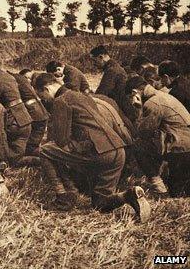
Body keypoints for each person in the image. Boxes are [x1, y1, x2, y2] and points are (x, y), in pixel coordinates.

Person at [34, 73, 151, 221]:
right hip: (118, 150)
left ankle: (64, 197)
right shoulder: (83, 96)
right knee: (100, 203)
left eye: (42, 96)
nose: (44, 100)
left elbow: (61, 140)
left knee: (45, 150)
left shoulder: (60, 101)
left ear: (46, 88)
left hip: (98, 151)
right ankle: (129, 195)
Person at [125, 76, 190, 197]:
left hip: (181, 150)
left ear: (135, 92)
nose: (130, 101)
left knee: (138, 147)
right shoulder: (162, 95)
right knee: (180, 189)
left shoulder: (153, 103)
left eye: (130, 97)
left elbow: (143, 133)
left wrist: (138, 109)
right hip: (184, 145)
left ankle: (158, 186)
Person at [0, 47, 33, 165]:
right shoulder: (7, 76)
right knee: (18, 155)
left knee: (8, 160)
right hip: (25, 121)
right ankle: (43, 157)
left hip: (13, 126)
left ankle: (42, 160)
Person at [11, 70, 50, 161]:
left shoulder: (16, 81)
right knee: (31, 146)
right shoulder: (24, 83)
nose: (28, 80)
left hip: (36, 116)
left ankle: (47, 156)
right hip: (41, 115)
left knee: (30, 148)